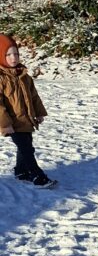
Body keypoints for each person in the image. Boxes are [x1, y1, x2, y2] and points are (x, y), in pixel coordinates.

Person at [0, 33, 57, 188]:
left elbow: (34, 97)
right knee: (27, 149)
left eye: (16, 54)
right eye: (8, 55)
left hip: (26, 119)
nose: (13, 58)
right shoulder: (1, 78)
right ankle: (38, 177)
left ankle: (21, 171)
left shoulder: (25, 76)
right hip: (12, 122)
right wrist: (5, 124)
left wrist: (39, 112)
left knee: (25, 146)